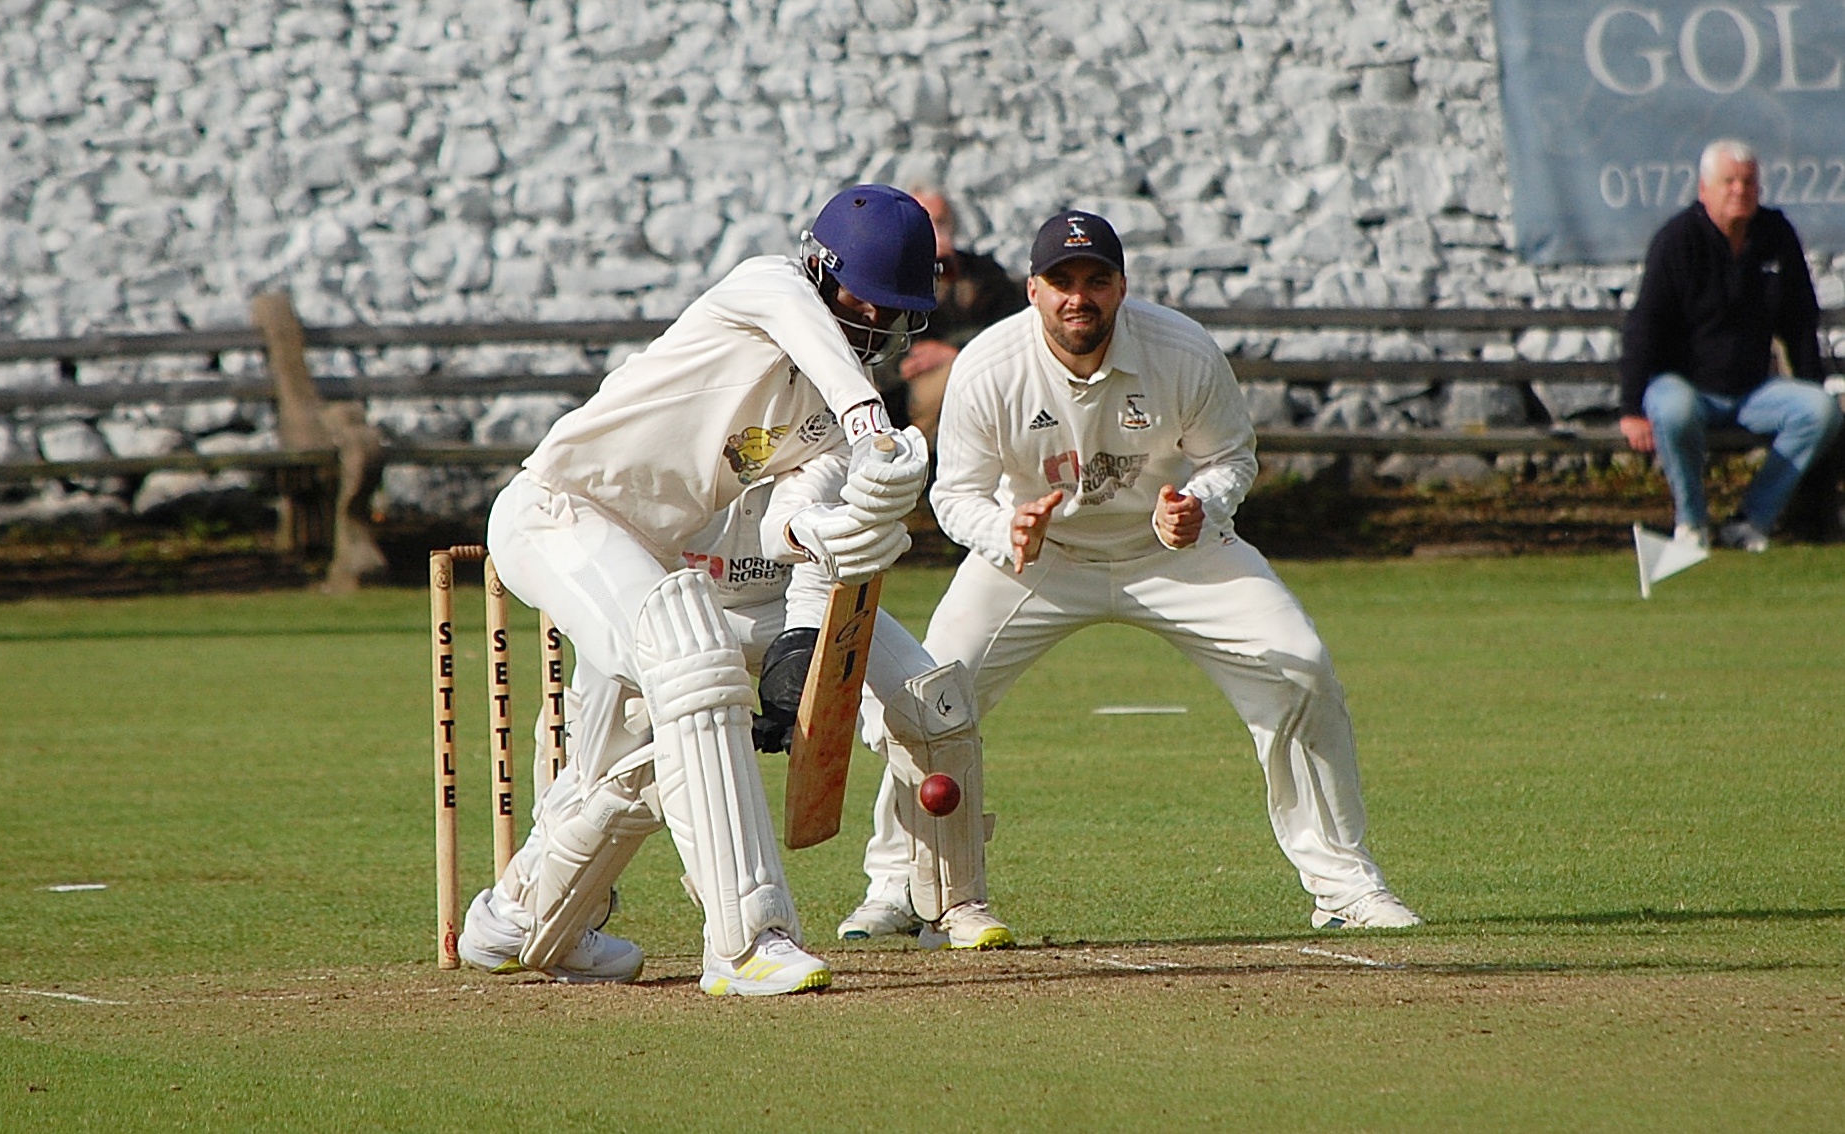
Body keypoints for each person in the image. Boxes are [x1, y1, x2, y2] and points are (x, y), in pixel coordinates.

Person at [457, 184, 1003, 997]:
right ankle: (748, 941)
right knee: (693, 657)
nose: (874, 324)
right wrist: (873, 427)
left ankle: (518, 918)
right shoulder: (763, 287)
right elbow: (816, 343)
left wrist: (815, 603)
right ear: (821, 267)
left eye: (892, 310)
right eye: (864, 299)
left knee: (640, 750)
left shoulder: (827, 408)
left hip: (652, 560)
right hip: (557, 510)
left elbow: (794, 518)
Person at [839, 210, 1421, 939]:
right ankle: (899, 884)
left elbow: (1230, 458)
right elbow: (954, 494)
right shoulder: (989, 365)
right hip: (1033, 561)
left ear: (1120, 287)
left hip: (1171, 552)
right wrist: (1005, 530)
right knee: (927, 700)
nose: (1077, 297)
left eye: (1095, 280)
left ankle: (1343, 885)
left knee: (1299, 666)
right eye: (1061, 282)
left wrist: (1196, 510)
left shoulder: (1179, 347)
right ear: (1031, 290)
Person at [1619, 139, 1842, 553]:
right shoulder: (1677, 240)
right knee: (1673, 409)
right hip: (1684, 386)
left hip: (1753, 390)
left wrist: (1813, 384)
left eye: (1748, 182)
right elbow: (1644, 326)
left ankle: (1750, 520)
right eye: (1729, 182)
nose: (1740, 190)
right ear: (1705, 189)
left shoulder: (1776, 235)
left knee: (1820, 411)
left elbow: (1799, 323)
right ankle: (1691, 524)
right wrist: (1632, 409)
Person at [878, 190, 1024, 452]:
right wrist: (927, 277)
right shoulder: (893, 278)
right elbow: (891, 350)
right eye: (924, 223)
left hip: (977, 368)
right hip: (905, 393)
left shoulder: (982, 273)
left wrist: (956, 352)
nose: (934, 230)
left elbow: (1012, 329)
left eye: (940, 221)